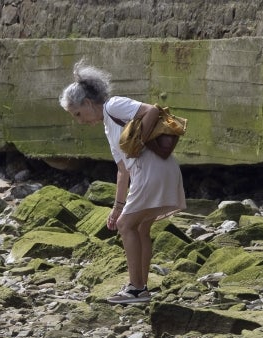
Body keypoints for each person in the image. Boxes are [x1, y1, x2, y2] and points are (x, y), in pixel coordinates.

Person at [60, 60, 187, 304]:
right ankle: (141, 289)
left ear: (87, 103)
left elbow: (152, 111)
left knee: (127, 226)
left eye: (78, 114)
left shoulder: (113, 106)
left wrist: (138, 141)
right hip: (154, 172)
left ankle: (135, 289)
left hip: (152, 171)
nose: (80, 120)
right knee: (139, 228)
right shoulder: (109, 127)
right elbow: (122, 170)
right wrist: (117, 208)